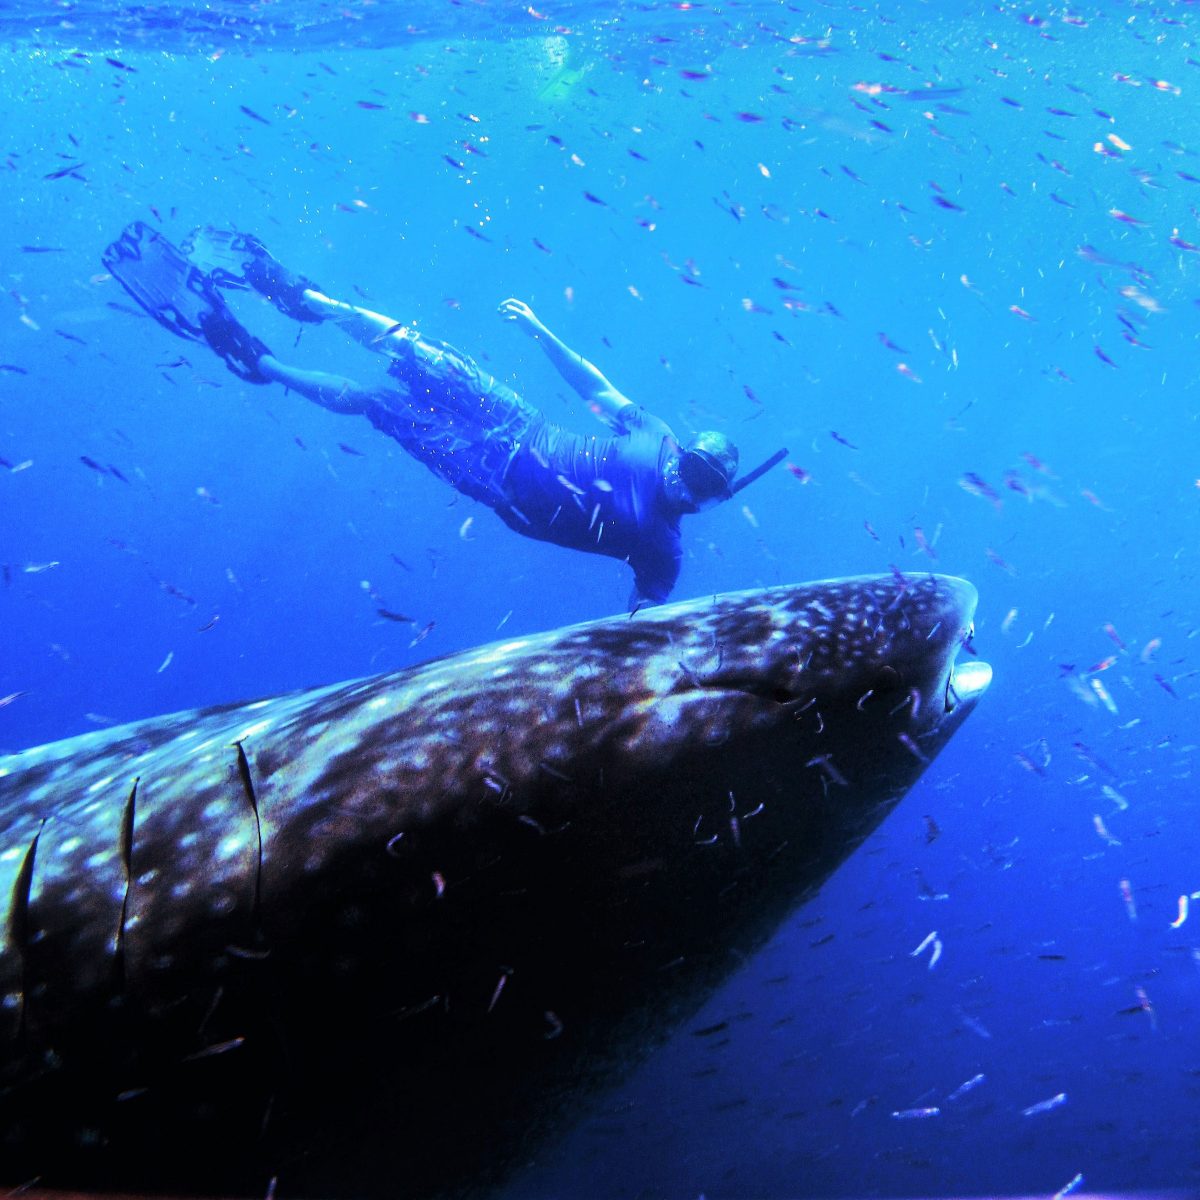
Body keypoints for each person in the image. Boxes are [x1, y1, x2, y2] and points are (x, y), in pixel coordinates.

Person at [102, 223, 777, 608]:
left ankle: (260, 362)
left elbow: (641, 624)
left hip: (496, 478)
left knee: (377, 403)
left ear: (722, 500)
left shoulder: (663, 552)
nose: (692, 484)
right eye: (693, 467)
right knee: (410, 345)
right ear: (680, 450)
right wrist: (541, 330)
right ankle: (303, 295)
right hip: (520, 420)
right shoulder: (653, 435)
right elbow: (594, 387)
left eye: (709, 486)